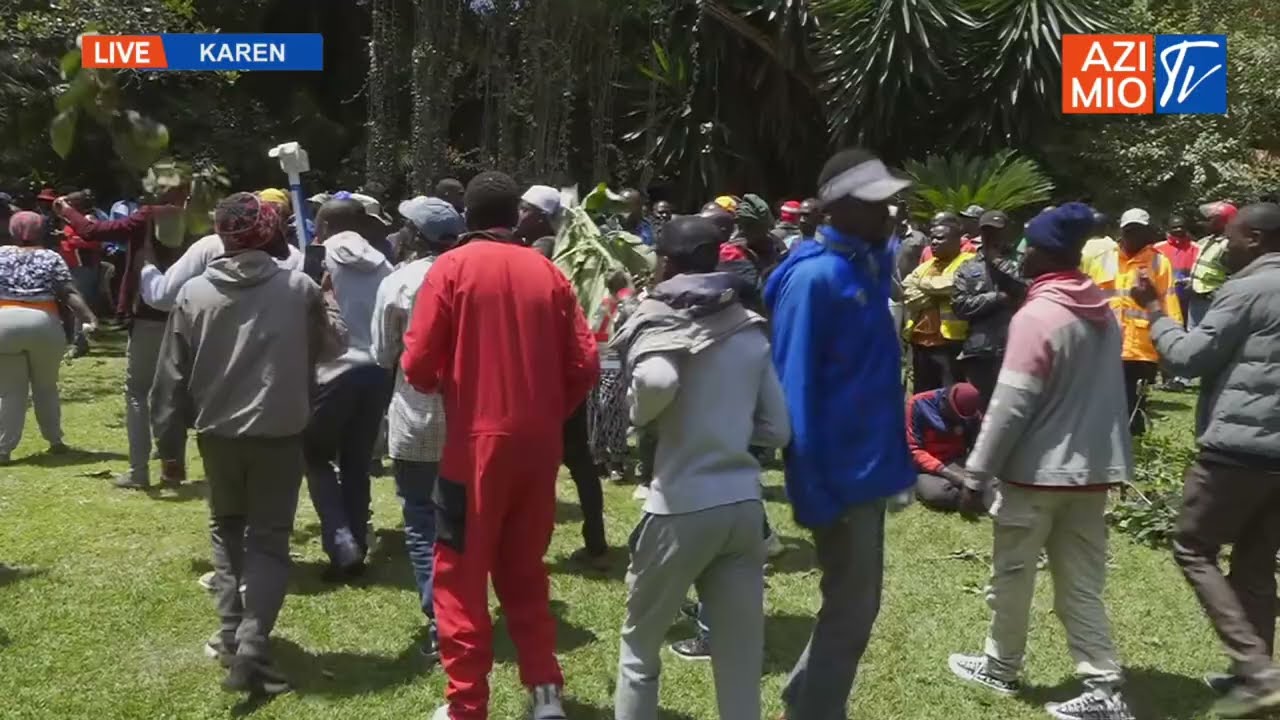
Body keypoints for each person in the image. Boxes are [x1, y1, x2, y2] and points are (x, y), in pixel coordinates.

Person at [401, 171, 599, 720]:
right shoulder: (548, 271)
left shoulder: (453, 268)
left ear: (466, 217)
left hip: (474, 448)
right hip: (538, 448)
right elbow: (585, 364)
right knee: (525, 569)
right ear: (516, 218)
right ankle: (545, 696)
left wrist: (451, 382)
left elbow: (417, 364)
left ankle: (467, 706)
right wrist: (545, 413)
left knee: (460, 576)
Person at [150, 192, 347, 696]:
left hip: (217, 435)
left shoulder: (193, 292)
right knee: (269, 539)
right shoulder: (300, 287)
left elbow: (169, 379)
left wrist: (169, 447)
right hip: (280, 433)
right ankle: (253, 643)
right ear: (270, 232)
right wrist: (330, 300)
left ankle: (231, 635)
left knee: (226, 531)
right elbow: (334, 346)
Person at [947, 202, 1135, 720]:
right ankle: (1105, 687)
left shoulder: (1038, 315)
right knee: (1082, 584)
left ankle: (1000, 665)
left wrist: (976, 475)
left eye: (1029, 245)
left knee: (1010, 573)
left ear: (1049, 253)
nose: (1021, 254)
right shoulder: (1099, 310)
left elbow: (1011, 403)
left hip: (1035, 474)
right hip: (1091, 473)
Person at [611, 215, 790, 720]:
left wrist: (640, 418)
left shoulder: (658, 317)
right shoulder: (749, 328)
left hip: (680, 505)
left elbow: (658, 380)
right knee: (738, 655)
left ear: (665, 262)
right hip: (742, 507)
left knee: (639, 648)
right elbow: (778, 430)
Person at [764, 148, 915, 719]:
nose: (891, 211)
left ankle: (806, 702)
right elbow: (793, 388)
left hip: (868, 472)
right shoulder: (816, 278)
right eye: (878, 201)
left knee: (852, 605)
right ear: (840, 208)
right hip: (840, 479)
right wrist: (813, 487)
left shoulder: (862, 266)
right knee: (853, 610)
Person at [1131, 202, 1280, 719]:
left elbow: (1189, 357)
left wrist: (1153, 311)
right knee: (1257, 565)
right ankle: (1253, 675)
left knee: (1193, 545)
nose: (1223, 246)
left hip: (1238, 449)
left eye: (1230, 238)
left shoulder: (1247, 288)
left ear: (1257, 239)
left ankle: (1259, 673)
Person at [371, 196, 464, 662]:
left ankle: (439, 616)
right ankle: (463, 606)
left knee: (421, 519)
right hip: (470, 420)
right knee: (466, 520)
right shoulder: (473, 277)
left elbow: (383, 353)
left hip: (417, 417)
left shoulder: (399, 282)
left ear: (412, 234)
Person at [55, 178, 192, 490]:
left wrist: (66, 210)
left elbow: (93, 232)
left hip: (148, 315)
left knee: (138, 393)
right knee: (174, 394)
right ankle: (173, 469)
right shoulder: (199, 221)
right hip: (188, 314)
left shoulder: (148, 215)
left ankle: (139, 471)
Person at [302, 197, 394, 579]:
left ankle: (341, 544)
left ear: (322, 229)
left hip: (335, 370)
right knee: (356, 461)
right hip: (377, 369)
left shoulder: (323, 257)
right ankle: (357, 535)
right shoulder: (383, 262)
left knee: (312, 454)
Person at [520, 185, 609, 568]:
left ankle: (534, 544)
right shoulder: (568, 255)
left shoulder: (550, 256)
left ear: (540, 215)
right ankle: (596, 540)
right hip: (567, 378)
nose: (518, 215)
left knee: (547, 465)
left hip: (548, 381)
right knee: (578, 462)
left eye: (524, 209)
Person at [0, 211, 97, 465]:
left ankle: (3, 449)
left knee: (10, 392)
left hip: (4, 322)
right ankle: (55, 440)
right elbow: (68, 292)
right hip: (43, 321)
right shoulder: (50, 257)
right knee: (45, 387)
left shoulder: (0, 254)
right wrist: (88, 317)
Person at [1104, 208, 1182, 436]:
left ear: (1148, 233)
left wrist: (1171, 342)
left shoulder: (1159, 262)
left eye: (1138, 231)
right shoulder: (1107, 259)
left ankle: (1132, 451)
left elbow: (1169, 301)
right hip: (1107, 343)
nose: (1132, 236)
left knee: (1133, 405)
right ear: (1121, 231)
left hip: (1140, 348)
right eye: (1129, 231)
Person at [952, 210, 1026, 405]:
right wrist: (997, 298)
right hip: (980, 351)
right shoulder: (967, 268)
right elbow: (960, 306)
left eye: (997, 232)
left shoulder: (1021, 263)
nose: (992, 237)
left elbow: (1027, 289)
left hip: (1016, 348)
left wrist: (998, 262)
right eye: (988, 232)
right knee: (979, 410)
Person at [904, 221, 976, 392]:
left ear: (956, 240)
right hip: (920, 342)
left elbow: (953, 285)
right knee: (922, 395)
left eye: (940, 238)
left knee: (949, 395)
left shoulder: (969, 262)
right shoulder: (927, 265)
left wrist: (922, 285)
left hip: (949, 343)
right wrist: (937, 296)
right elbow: (907, 290)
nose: (934, 242)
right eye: (932, 238)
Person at [590, 270, 636, 481]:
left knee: (608, 405)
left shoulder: (623, 301)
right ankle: (599, 456)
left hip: (611, 356)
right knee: (597, 407)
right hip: (594, 355)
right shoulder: (597, 297)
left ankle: (615, 456)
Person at [907, 383, 982, 513]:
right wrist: (948, 473)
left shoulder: (972, 414)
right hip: (924, 468)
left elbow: (976, 446)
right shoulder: (917, 404)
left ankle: (972, 495)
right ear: (945, 401)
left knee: (989, 482)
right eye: (955, 415)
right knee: (939, 494)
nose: (958, 420)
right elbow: (913, 450)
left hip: (955, 460)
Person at [1187, 201, 1238, 327]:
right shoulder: (1206, 241)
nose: (1206, 222)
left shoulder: (1229, 245)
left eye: (1211, 219)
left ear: (1223, 222)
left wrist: (1219, 293)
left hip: (1213, 301)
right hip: (1196, 298)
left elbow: (1237, 276)